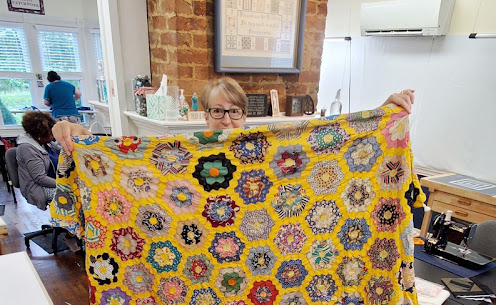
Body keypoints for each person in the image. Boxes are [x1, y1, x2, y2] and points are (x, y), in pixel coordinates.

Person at [52, 78, 415, 154]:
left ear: (245, 114)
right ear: (204, 114)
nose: (227, 121)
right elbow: (130, 158)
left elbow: (334, 148)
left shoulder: (272, 151)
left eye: (235, 111)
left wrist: (382, 115)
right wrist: (79, 134)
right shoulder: (180, 151)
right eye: (218, 111)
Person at [16, 110, 61, 209]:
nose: (53, 136)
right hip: (38, 188)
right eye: (51, 134)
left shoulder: (44, 142)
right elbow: (40, 178)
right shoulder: (27, 148)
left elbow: (60, 150)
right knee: (75, 194)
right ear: (40, 135)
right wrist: (64, 184)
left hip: (53, 180)